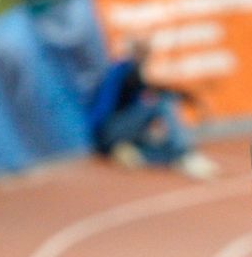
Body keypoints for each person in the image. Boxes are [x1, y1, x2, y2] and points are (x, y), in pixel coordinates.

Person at [88, 38, 218, 179]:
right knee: (163, 103)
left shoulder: (129, 72)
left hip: (116, 133)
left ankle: (134, 153)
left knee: (161, 142)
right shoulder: (125, 71)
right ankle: (185, 154)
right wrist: (189, 97)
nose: (146, 56)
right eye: (142, 52)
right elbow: (152, 89)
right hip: (111, 130)